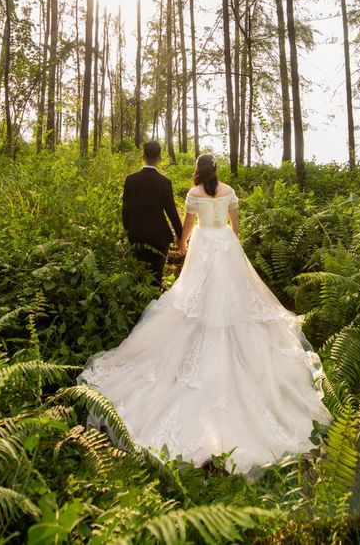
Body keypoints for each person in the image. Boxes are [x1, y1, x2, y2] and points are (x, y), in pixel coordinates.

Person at [79, 153, 332, 475]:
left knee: (194, 298)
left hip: (204, 244)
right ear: (218, 171)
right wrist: (228, 243)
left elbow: (187, 226)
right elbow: (235, 227)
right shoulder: (228, 191)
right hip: (224, 244)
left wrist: (183, 244)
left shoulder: (194, 194)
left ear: (199, 171)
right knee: (231, 297)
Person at [122, 139, 183, 288]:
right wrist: (181, 237)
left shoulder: (130, 180)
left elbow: (126, 208)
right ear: (160, 158)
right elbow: (171, 211)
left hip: (136, 235)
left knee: (137, 276)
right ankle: (153, 304)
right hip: (159, 237)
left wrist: (128, 230)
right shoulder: (164, 182)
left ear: (143, 156)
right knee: (156, 278)